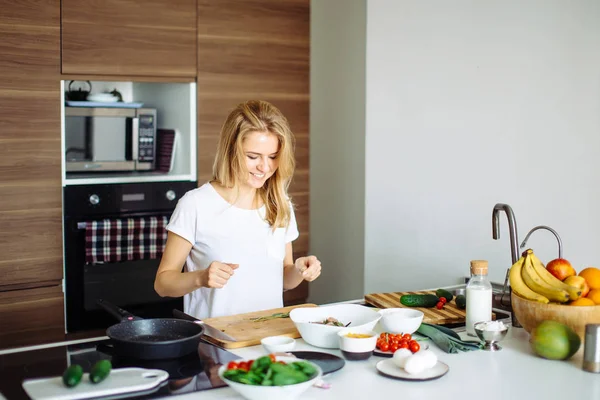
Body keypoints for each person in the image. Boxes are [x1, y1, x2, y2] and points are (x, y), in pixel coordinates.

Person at [154, 100, 322, 319]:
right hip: (216, 342)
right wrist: (201, 278)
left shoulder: (280, 204)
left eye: (272, 157)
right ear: (231, 151)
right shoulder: (196, 204)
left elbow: (283, 280)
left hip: (269, 339)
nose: (264, 167)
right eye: (253, 157)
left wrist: (300, 270)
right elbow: (163, 283)